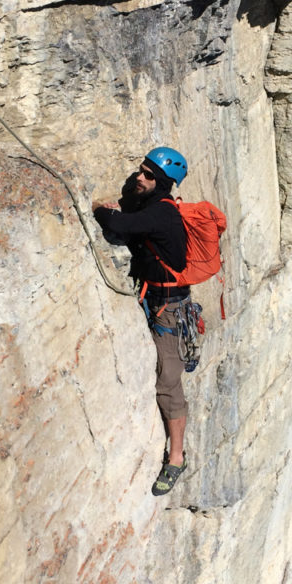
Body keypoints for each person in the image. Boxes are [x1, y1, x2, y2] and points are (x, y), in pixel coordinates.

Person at [92, 147, 193, 496]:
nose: (140, 177)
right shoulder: (152, 207)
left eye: (149, 175)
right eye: (141, 170)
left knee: (168, 383)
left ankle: (176, 457)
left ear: (162, 183)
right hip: (159, 301)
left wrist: (99, 209)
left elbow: (117, 223)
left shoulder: (162, 214)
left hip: (170, 310)